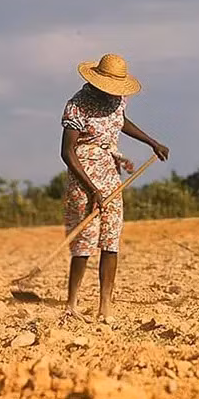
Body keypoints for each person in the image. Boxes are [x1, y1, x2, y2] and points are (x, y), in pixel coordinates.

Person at [61, 54, 169, 323]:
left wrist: (151, 142)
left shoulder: (116, 101)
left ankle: (104, 306)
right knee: (84, 241)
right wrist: (92, 189)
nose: (112, 93)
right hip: (83, 176)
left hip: (110, 174)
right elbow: (67, 153)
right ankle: (72, 303)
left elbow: (121, 121)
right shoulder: (77, 106)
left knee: (110, 239)